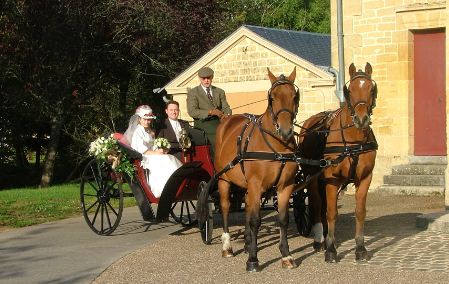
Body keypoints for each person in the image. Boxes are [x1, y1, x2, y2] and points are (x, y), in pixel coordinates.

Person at [123, 105, 182, 198]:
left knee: (170, 158)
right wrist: (156, 153)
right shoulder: (138, 131)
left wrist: (160, 150)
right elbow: (142, 150)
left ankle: (175, 184)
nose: (147, 122)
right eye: (144, 119)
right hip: (143, 157)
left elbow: (153, 145)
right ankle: (164, 188)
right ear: (139, 119)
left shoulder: (149, 131)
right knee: (164, 160)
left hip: (151, 154)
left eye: (149, 120)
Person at [187, 67, 231, 153]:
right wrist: (210, 112)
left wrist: (227, 115)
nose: (206, 80)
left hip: (220, 123)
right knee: (217, 144)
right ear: (200, 78)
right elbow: (192, 111)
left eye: (208, 78)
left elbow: (226, 107)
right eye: (204, 78)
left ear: (212, 77)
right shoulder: (193, 92)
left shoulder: (219, 91)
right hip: (203, 125)